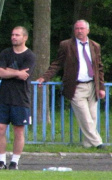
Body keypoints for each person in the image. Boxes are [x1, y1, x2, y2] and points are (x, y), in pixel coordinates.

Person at [37, 20, 106, 149]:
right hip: (76, 86)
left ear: (88, 30)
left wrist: (101, 87)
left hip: (92, 86)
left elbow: (99, 68)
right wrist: (45, 77)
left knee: (93, 116)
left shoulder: (95, 46)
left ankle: (87, 145)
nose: (79, 31)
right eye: (76, 29)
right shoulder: (66, 45)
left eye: (82, 28)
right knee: (85, 117)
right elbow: (57, 63)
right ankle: (98, 143)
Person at [0, 27, 36, 170]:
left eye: (17, 35)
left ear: (25, 37)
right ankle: (1, 161)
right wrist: (16, 73)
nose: (13, 37)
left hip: (20, 98)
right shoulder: (5, 53)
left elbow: (25, 75)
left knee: (19, 130)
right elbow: (0, 72)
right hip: (3, 97)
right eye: (12, 34)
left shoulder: (30, 56)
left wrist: (9, 71)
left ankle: (14, 162)